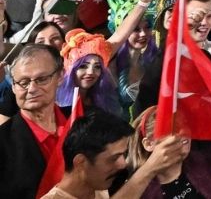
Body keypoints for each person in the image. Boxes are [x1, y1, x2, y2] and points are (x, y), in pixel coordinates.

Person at [45, 110, 188, 199]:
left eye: (123, 155)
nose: (122, 164)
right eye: (113, 158)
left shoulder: (98, 189)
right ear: (81, 162)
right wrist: (149, 168)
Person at [0, 44, 68, 198]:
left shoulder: (83, 120)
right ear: (13, 87)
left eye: (42, 79)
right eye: (23, 82)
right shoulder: (3, 143)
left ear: (60, 76)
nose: (31, 89)